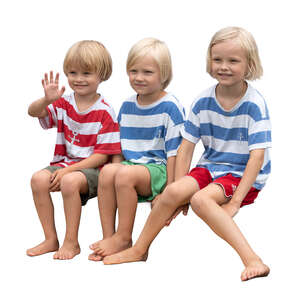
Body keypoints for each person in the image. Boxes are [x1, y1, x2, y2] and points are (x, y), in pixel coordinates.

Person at [102, 27, 272, 282]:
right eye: (218, 60)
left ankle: (252, 259)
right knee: (170, 192)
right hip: (211, 165)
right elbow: (186, 148)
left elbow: (257, 157)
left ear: (249, 64)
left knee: (200, 201)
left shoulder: (254, 104)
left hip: (241, 171)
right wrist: (177, 188)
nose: (223, 66)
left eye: (233, 61)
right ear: (209, 60)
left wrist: (235, 201)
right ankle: (139, 249)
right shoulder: (202, 101)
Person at [88, 38, 185, 261]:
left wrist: (169, 192)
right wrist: (111, 176)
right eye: (133, 71)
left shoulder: (171, 107)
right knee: (109, 171)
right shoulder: (128, 105)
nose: (138, 77)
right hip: (130, 167)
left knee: (122, 173)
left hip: (158, 170)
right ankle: (110, 237)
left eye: (147, 72)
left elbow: (174, 154)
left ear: (164, 74)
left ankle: (124, 237)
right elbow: (119, 148)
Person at [26, 40, 121, 260]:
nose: (78, 79)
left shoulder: (105, 111)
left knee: (69, 182)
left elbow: (103, 155)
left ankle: (71, 242)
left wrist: (69, 171)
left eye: (86, 73)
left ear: (102, 75)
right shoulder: (63, 103)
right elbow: (33, 112)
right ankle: (51, 239)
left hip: (96, 169)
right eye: (72, 72)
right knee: (37, 179)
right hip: (66, 164)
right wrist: (46, 100)